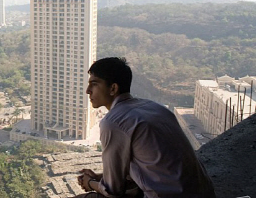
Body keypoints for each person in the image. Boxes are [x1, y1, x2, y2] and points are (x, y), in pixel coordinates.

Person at [75, 57, 215, 198]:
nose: (88, 91)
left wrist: (90, 182)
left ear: (113, 88)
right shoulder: (155, 107)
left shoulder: (114, 122)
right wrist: (101, 176)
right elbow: (151, 164)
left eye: (94, 84)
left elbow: (112, 191)